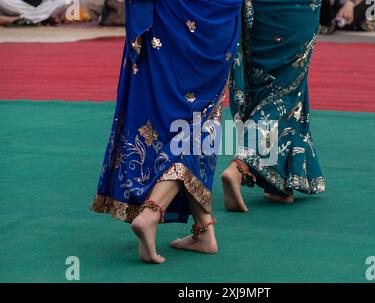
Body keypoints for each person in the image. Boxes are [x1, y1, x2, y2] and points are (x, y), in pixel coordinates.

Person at [91, 0, 242, 264]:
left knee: (173, 118)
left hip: (168, 15)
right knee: (201, 118)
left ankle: (204, 231)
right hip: (216, 18)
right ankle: (152, 213)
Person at [223, 0, 326, 211]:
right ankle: (240, 166)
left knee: (265, 87)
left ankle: (278, 183)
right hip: (297, 10)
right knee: (284, 92)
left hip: (262, 10)